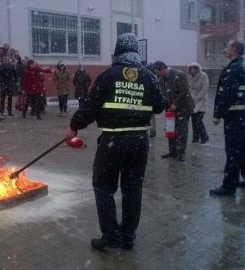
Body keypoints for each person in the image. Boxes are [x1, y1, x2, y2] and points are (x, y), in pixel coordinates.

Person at [65, 33, 165, 251]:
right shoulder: (149, 77)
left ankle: (110, 237)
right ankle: (128, 236)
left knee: (103, 187)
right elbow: (159, 106)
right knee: (133, 189)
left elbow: (90, 108)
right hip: (139, 142)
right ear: (136, 53)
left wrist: (74, 126)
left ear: (117, 52)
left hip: (113, 141)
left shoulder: (108, 75)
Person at [209, 40, 245, 196]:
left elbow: (228, 95)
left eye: (227, 47)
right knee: (244, 148)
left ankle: (229, 186)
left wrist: (217, 115)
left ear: (234, 50)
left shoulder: (233, 69)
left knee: (233, 151)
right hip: (243, 115)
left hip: (235, 116)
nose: (225, 49)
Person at [153, 60, 195, 161]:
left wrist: (175, 104)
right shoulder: (161, 80)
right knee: (170, 130)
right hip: (170, 109)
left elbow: (184, 90)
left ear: (162, 68)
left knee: (182, 130)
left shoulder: (179, 75)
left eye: (158, 72)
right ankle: (172, 152)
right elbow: (163, 95)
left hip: (184, 108)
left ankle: (181, 153)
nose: (157, 75)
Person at [187, 62, 209, 144]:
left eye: (194, 68)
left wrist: (198, 97)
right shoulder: (189, 77)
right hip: (192, 101)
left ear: (197, 68)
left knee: (198, 121)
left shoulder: (204, 75)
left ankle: (204, 136)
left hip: (201, 101)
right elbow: (188, 88)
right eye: (191, 68)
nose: (193, 70)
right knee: (193, 120)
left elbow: (205, 88)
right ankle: (195, 137)